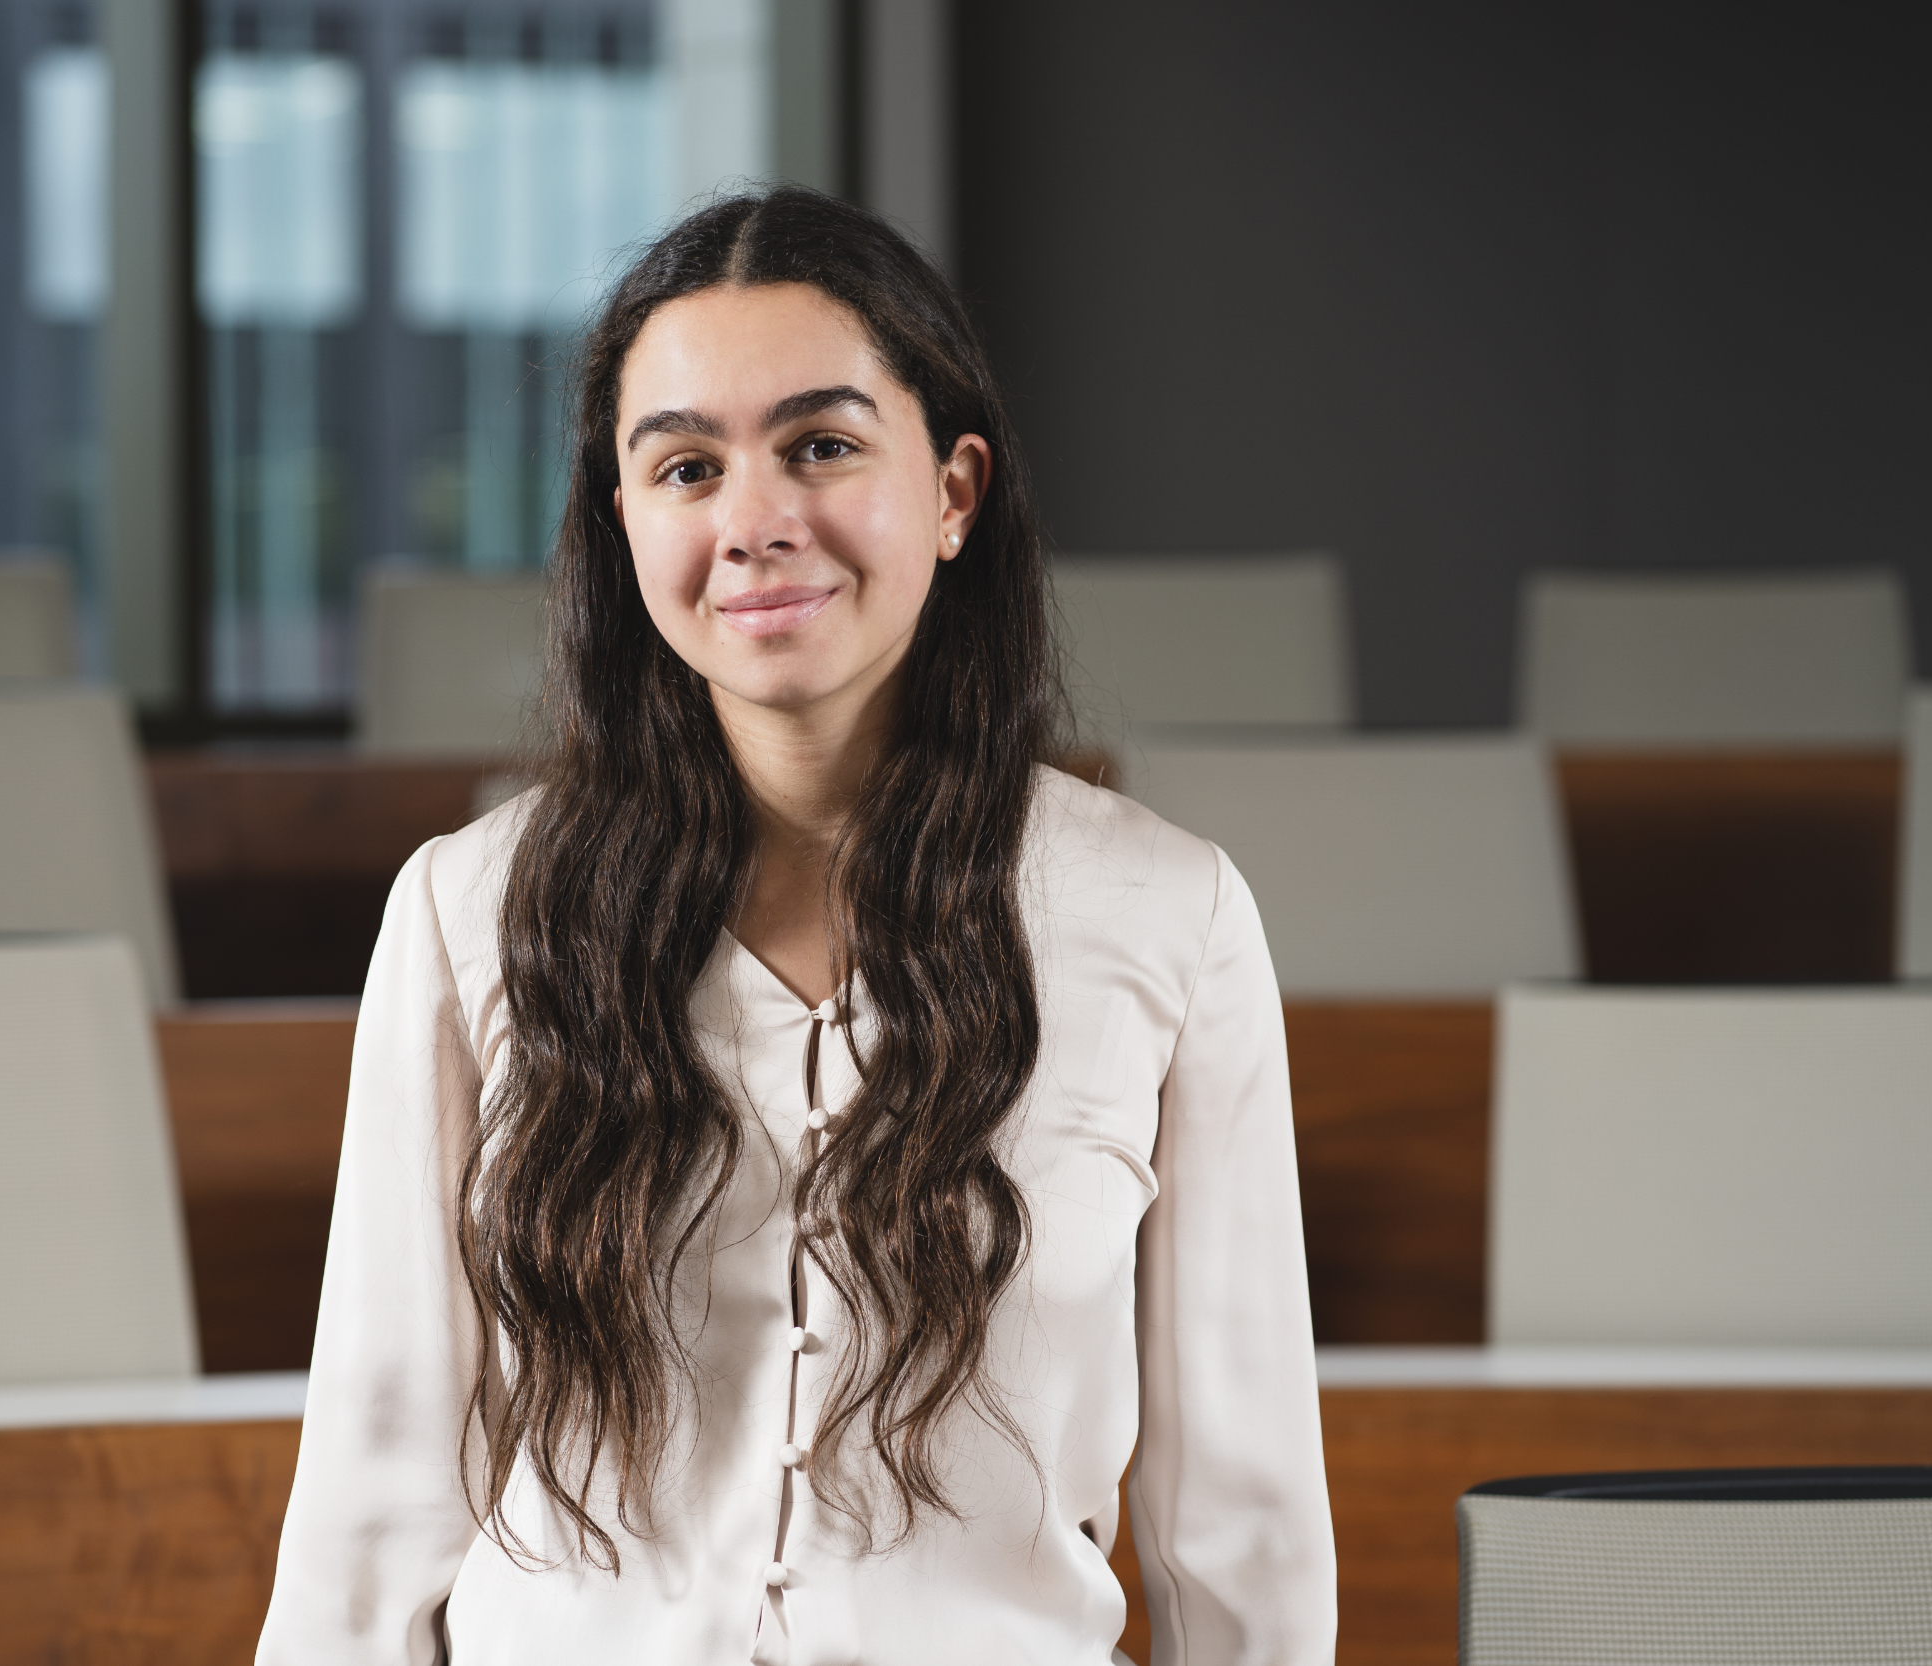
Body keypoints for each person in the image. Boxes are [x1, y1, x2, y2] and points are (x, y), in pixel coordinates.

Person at [257, 186, 1334, 1666]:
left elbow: (1243, 1530)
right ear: (622, 519)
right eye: (685, 467)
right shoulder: (468, 911)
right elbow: (367, 1521)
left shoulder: (1170, 914)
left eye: (821, 447)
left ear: (954, 491)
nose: (755, 522)